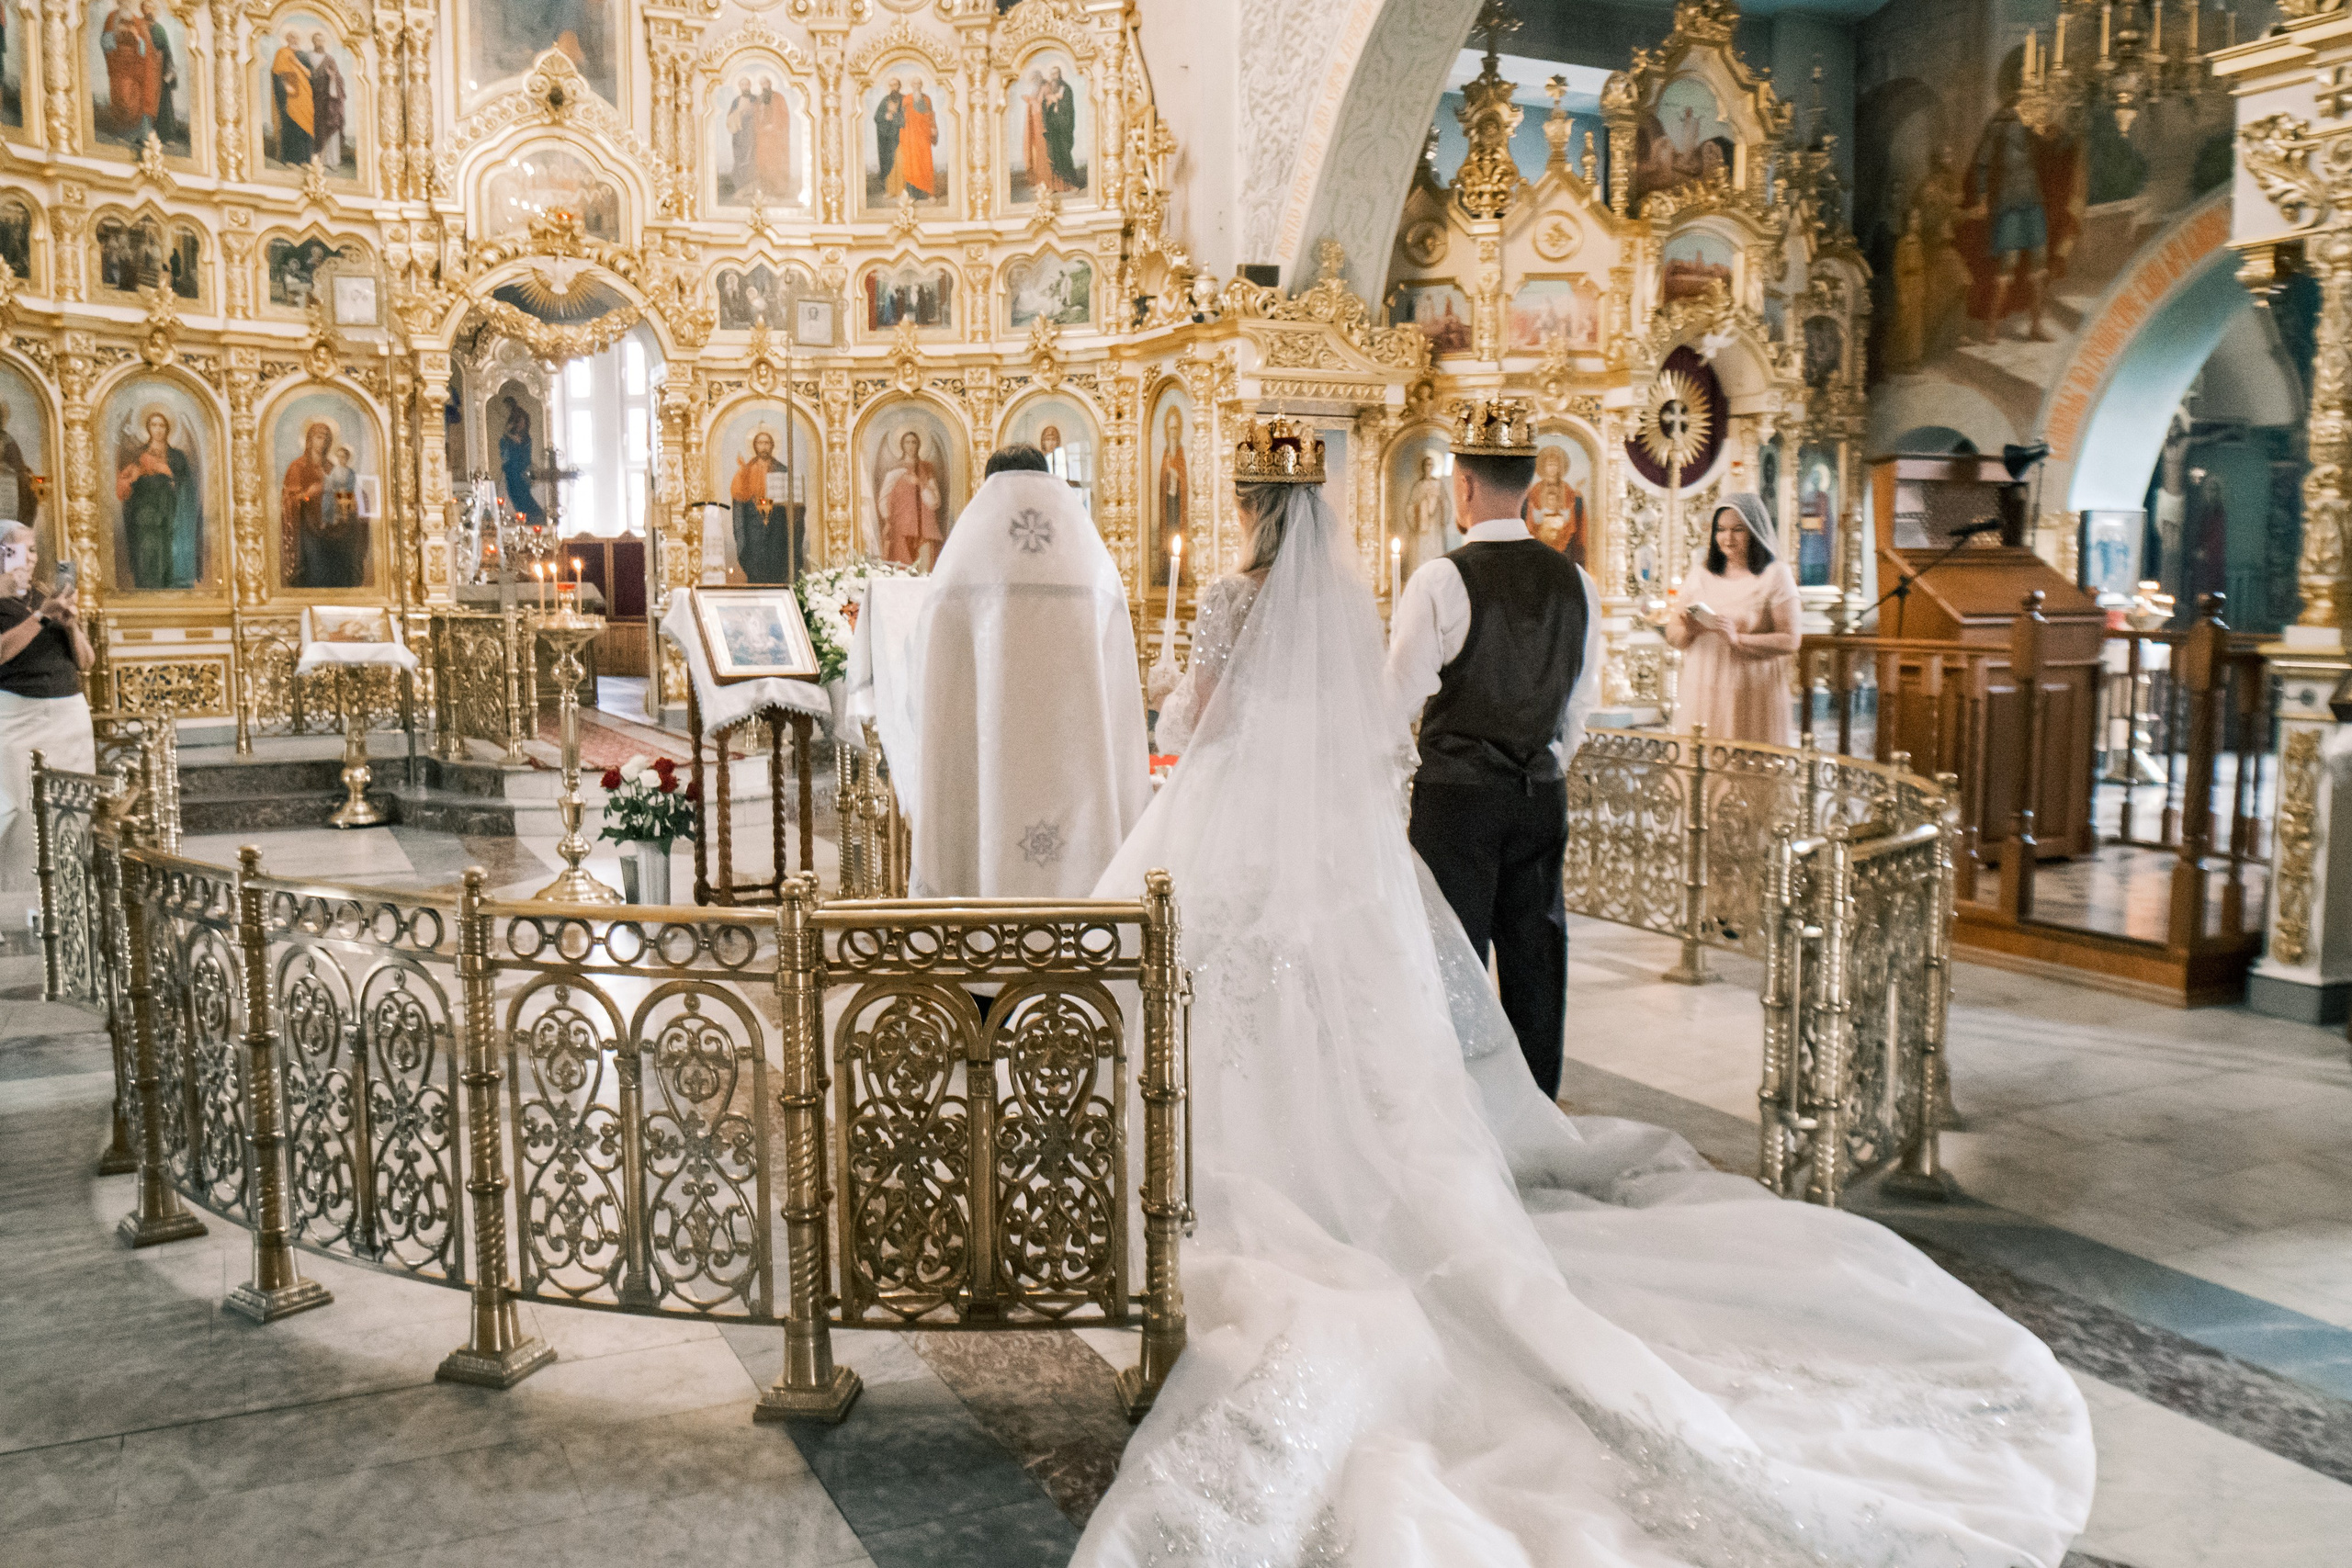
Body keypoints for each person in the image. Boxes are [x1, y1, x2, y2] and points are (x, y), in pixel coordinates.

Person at [1080, 422, 2094, 1568]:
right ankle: (1516, 1112)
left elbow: (1301, 711)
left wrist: (1180, 708)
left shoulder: (1361, 587)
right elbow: (1550, 707)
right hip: (1521, 794)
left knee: (1295, 972)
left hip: (1398, 799)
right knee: (1513, 958)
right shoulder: (1557, 582)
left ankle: (1354, 1132)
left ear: (1248, 504)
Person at [1385, 398, 1600, 1100]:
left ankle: (1458, 1110)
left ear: (1465, 484)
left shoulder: (1442, 579)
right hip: (1540, 796)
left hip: (1457, 800)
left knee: (1453, 960)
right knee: (1537, 955)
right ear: (1533, 484)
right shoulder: (1578, 584)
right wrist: (1538, 764)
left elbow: (1395, 704)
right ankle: (1537, 1107)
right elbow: (1579, 708)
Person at [907, 443, 1148, 898]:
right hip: (1079, 765)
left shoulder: (959, 568)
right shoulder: (1093, 567)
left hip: (989, 766)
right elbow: (1121, 699)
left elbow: (932, 688)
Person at [1663, 491, 1804, 746]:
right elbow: (1673, 634)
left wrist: (1738, 639)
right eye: (1721, 529)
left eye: (1738, 529)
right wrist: (1690, 630)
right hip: (1703, 686)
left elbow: (1791, 640)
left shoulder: (1775, 575)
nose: (1728, 538)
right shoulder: (1700, 575)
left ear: (1754, 531)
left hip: (1752, 688)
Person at [0, 522, 96, 893]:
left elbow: (86, 662)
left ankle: (70, 887)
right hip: (20, 716)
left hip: (69, 715)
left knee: (72, 804)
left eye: (33, 550)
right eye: (19, 550)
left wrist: (70, 625)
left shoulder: (43, 595)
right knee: (22, 808)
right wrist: (41, 617)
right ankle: (22, 896)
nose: (30, 558)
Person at [116, 407, 196, 591]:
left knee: (167, 550)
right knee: (147, 551)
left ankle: (168, 587)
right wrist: (134, 479)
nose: (158, 429)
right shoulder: (138, 454)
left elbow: (185, 485)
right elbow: (127, 484)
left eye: (161, 426)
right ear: (148, 428)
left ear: (167, 429)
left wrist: (168, 474)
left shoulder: (177, 456)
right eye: (154, 425)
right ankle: (147, 588)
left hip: (169, 510)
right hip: (144, 513)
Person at [729, 426, 800, 585]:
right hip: (753, 534)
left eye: (767, 443)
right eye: (760, 443)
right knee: (756, 576)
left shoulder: (782, 470)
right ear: (754, 446)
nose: (764, 446)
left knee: (777, 574)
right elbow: (739, 509)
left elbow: (793, 507)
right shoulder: (745, 472)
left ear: (772, 445)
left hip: (777, 533)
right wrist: (741, 539)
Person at [875, 427, 943, 567]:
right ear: (902, 445)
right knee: (902, 568)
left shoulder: (927, 468)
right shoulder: (895, 469)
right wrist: (887, 519)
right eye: (907, 442)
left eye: (914, 442)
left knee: (925, 568)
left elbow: (935, 501)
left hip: (925, 527)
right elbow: (884, 497)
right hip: (901, 525)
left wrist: (920, 483)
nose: (911, 446)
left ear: (918, 445)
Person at [269, 28, 313, 166]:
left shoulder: (303, 55)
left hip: (305, 94)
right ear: (287, 39)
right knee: (291, 124)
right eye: (291, 37)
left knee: (305, 125)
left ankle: (305, 160)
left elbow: (310, 74)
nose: (293, 39)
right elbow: (277, 73)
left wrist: (297, 63)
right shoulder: (282, 52)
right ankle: (290, 159)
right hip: (290, 91)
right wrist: (285, 86)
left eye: (295, 37)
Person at [892, 78, 938, 201]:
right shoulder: (906, 99)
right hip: (910, 137)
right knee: (911, 165)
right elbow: (900, 118)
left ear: (921, 85)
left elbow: (931, 116)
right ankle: (912, 195)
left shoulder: (927, 99)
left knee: (926, 163)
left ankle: (929, 193)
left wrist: (933, 128)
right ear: (911, 85)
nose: (916, 85)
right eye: (914, 83)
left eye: (918, 83)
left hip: (924, 136)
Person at [307, 30, 345, 171]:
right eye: (317, 40)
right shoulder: (308, 57)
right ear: (313, 41)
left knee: (329, 126)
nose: (320, 43)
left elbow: (338, 78)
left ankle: (330, 160)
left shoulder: (329, 59)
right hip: (311, 99)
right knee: (313, 128)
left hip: (327, 101)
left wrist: (333, 78)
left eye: (322, 40)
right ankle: (313, 159)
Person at [873, 78, 904, 198]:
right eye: (891, 85)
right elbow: (877, 116)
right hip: (888, 139)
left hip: (901, 138)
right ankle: (890, 191)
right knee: (889, 164)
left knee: (900, 163)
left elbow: (908, 117)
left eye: (895, 85)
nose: (893, 87)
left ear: (899, 86)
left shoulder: (905, 99)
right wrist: (885, 116)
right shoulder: (885, 100)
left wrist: (895, 116)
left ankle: (902, 190)